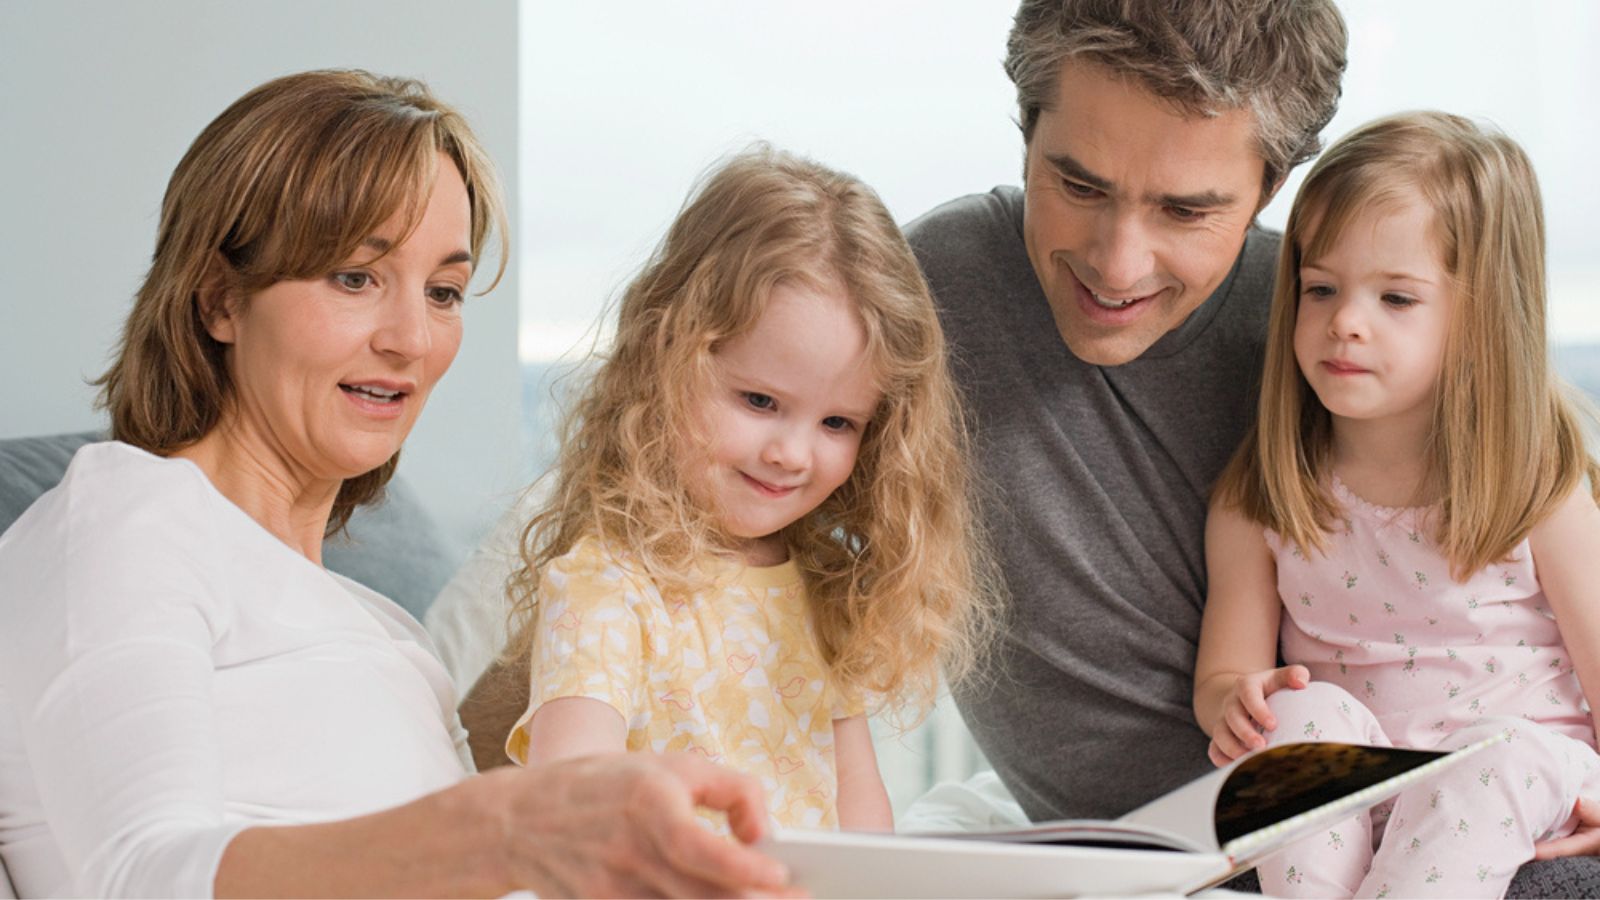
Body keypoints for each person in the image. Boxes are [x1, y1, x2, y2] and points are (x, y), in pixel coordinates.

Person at [0, 70, 791, 898]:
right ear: (220, 300)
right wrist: (510, 827)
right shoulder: (127, 517)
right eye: (355, 277)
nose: (412, 339)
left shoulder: (387, 636)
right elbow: (146, 876)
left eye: (444, 292)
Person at [905, 0, 1349, 822]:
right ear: (1027, 135)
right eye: (1077, 184)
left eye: (1185, 211)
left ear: (1269, 188)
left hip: (1405, 827)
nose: (1117, 265)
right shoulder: (927, 292)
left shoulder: (1332, 329)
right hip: (1122, 858)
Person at [502, 147, 998, 832]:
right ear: (666, 360)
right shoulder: (607, 586)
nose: (791, 454)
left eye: (836, 422)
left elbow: (860, 810)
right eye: (760, 400)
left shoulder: (823, 587)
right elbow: (570, 805)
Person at [1193, 111, 1600, 898]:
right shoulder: (1261, 497)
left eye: (1397, 299)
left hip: (1518, 777)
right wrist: (1239, 704)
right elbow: (1227, 674)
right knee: (1302, 724)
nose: (1345, 322)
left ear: (1480, 323)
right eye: (1321, 289)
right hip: (1368, 780)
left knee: (1492, 758)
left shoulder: (1537, 487)